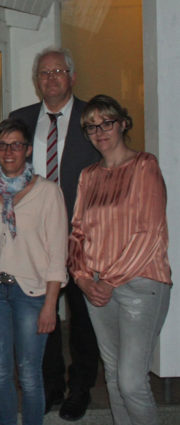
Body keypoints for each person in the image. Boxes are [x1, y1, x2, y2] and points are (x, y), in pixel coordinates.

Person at [9, 46, 100, 420]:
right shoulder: (20, 119)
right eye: (44, 73)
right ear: (36, 81)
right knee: (40, 313)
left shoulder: (93, 118)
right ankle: (50, 386)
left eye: (58, 71)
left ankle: (80, 388)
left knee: (82, 318)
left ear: (72, 77)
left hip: (83, 236)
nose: (51, 78)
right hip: (35, 239)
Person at [68, 95, 171, 425]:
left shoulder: (144, 166)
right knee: (112, 377)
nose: (99, 132)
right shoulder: (88, 176)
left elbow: (149, 232)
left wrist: (108, 280)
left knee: (131, 382)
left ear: (123, 124)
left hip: (140, 283)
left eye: (106, 123)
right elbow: (77, 232)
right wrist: (83, 278)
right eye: (91, 127)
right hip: (96, 287)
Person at [0, 118, 67, 425]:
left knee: (29, 373)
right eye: (2, 145)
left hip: (32, 292)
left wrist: (51, 305)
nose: (8, 152)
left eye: (16, 145)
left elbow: (58, 254)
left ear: (27, 150)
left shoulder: (48, 192)